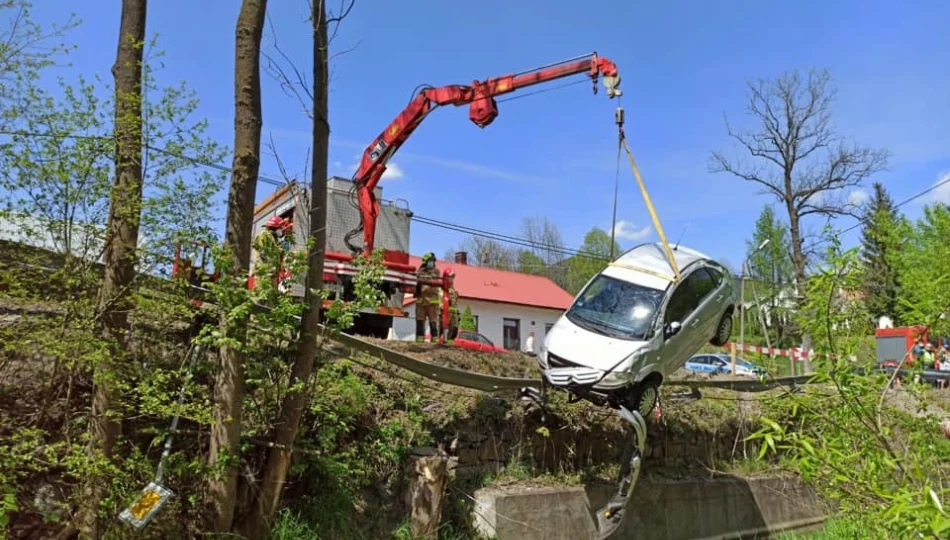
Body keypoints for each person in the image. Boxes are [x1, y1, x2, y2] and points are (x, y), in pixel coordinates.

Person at [252, 215, 293, 291]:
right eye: (281, 228)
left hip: (271, 274)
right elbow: (267, 253)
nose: (282, 230)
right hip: (265, 273)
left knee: (271, 298)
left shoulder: (273, 239)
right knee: (263, 298)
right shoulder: (265, 235)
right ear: (275, 227)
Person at [415, 252, 441, 342]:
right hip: (421, 301)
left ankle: (434, 339)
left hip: (432, 302)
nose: (432, 262)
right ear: (426, 262)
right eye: (430, 261)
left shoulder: (436, 271)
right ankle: (419, 339)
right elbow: (417, 283)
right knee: (420, 320)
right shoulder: (420, 271)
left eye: (433, 261)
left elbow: (434, 281)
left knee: (433, 321)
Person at [443, 268, 459, 342]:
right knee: (444, 328)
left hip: (454, 314)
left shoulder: (453, 289)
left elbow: (455, 301)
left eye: (453, 277)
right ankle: (443, 342)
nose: (452, 279)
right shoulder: (443, 287)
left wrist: (457, 313)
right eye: (450, 277)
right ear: (446, 277)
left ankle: (450, 344)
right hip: (446, 313)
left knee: (454, 330)